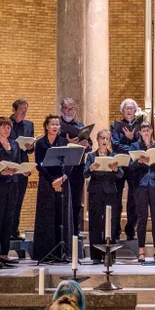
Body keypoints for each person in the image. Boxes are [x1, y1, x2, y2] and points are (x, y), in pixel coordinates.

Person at [34, 115, 73, 263]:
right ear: (46, 126)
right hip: (47, 183)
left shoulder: (63, 142)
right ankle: (47, 252)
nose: (55, 127)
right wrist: (53, 181)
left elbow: (69, 163)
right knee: (47, 215)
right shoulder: (40, 143)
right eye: (52, 124)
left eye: (57, 124)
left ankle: (62, 252)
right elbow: (40, 165)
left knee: (62, 215)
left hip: (63, 181)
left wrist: (62, 178)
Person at [0, 116, 22, 268]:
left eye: (8, 127)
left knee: (9, 220)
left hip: (13, 185)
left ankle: (5, 253)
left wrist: (22, 170)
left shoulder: (14, 144)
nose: (7, 130)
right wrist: (2, 172)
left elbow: (18, 163)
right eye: (4, 127)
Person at [84, 129, 123, 264]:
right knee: (95, 223)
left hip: (110, 193)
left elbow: (121, 175)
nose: (104, 141)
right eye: (102, 138)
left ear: (109, 141)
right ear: (98, 140)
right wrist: (91, 168)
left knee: (110, 223)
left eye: (107, 138)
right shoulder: (91, 156)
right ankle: (95, 256)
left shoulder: (113, 156)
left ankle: (109, 256)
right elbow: (85, 174)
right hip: (95, 192)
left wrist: (116, 169)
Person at [131, 122, 155, 263]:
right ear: (140, 132)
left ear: (151, 131)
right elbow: (130, 167)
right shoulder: (135, 146)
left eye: (148, 130)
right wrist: (139, 161)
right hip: (140, 186)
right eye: (143, 130)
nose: (146, 132)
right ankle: (141, 251)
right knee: (142, 219)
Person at [111, 98, 142, 241]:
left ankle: (130, 230)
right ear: (122, 111)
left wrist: (131, 137)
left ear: (135, 111)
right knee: (116, 198)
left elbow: (142, 144)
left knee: (133, 199)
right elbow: (115, 145)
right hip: (120, 164)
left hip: (135, 165)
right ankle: (116, 230)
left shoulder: (140, 126)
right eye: (126, 108)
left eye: (131, 108)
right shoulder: (115, 126)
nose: (129, 111)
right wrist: (131, 143)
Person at [60, 97, 90, 236]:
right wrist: (68, 143)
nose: (69, 111)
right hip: (61, 168)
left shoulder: (80, 126)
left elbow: (89, 146)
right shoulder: (58, 125)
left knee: (77, 201)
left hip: (78, 168)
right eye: (66, 108)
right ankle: (62, 231)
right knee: (62, 200)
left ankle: (75, 232)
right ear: (61, 109)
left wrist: (86, 145)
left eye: (72, 108)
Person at [7, 98, 34, 240]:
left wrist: (30, 147)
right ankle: (6, 232)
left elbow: (30, 150)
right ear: (14, 109)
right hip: (9, 166)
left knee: (18, 201)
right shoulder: (5, 124)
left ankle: (14, 231)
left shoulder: (29, 125)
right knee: (9, 202)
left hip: (23, 168)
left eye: (26, 110)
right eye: (21, 110)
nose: (24, 112)